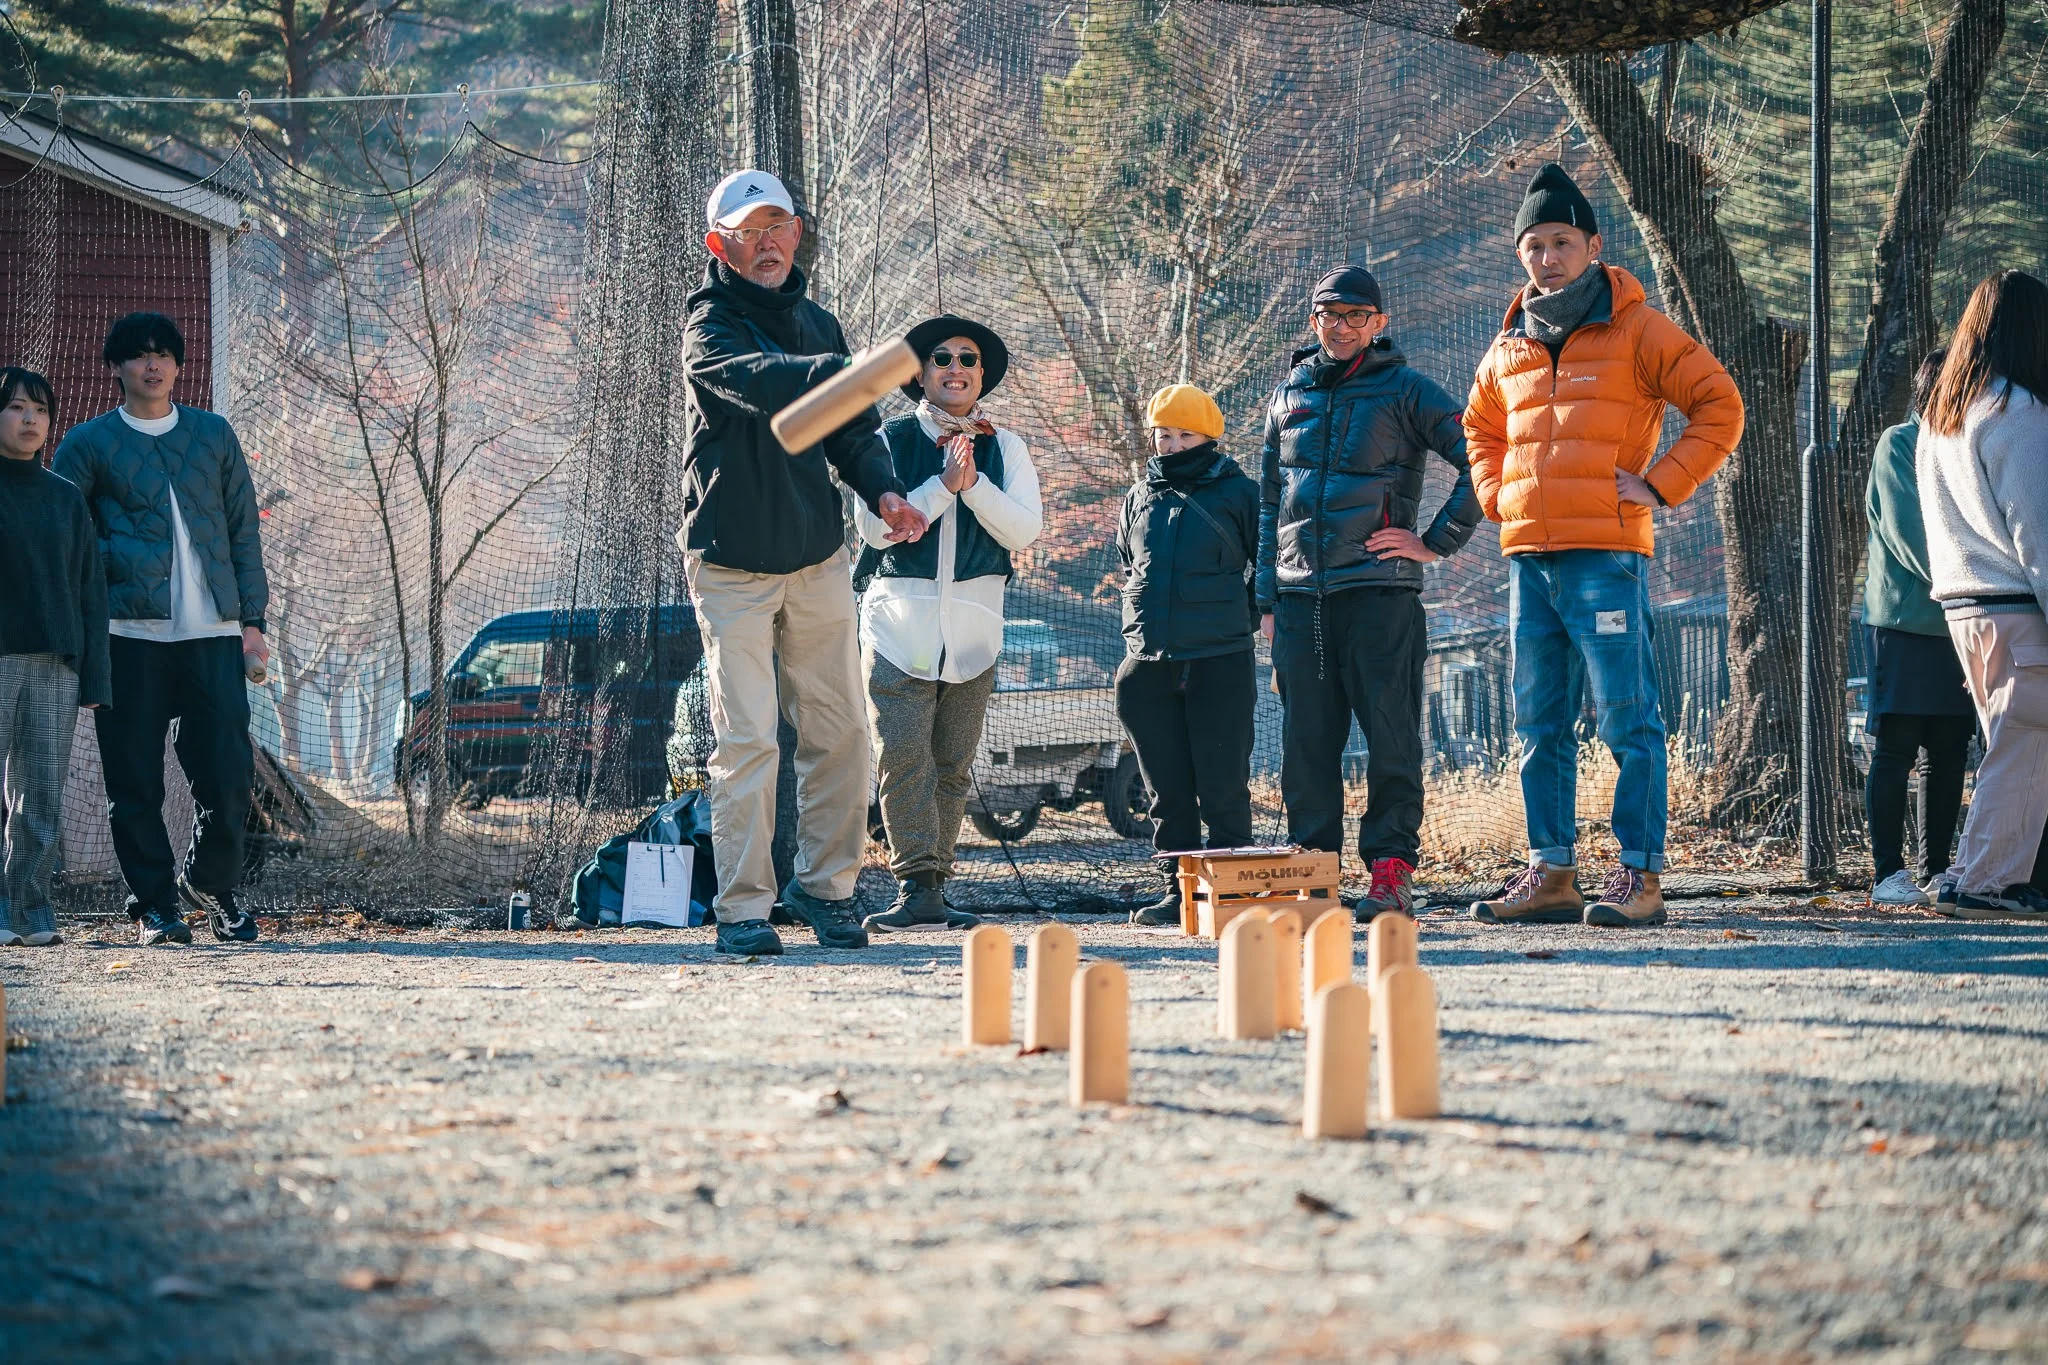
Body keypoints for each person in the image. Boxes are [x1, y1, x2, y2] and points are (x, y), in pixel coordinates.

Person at [1464, 164, 1744, 928]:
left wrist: (1660, 485)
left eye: (1561, 241)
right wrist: (1498, 497)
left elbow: (1720, 403)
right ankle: (1552, 872)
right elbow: (1479, 428)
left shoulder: (1639, 328)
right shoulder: (1508, 345)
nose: (1547, 257)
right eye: (1534, 245)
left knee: (1627, 717)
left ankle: (1640, 877)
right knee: (1538, 721)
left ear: (1592, 244)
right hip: (1528, 560)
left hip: (1607, 557)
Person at [679, 169, 929, 956]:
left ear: (796, 235)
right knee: (750, 738)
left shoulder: (819, 322)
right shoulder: (709, 328)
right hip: (730, 568)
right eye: (751, 232)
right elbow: (766, 391)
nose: (769, 244)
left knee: (843, 730)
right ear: (722, 245)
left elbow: (851, 433)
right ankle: (743, 908)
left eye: (780, 227)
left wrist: (886, 492)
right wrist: (849, 374)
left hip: (818, 560)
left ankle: (826, 892)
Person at [1256, 265, 1483, 921]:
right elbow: (1271, 501)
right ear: (1313, 320)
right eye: (1331, 313)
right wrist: (1267, 600)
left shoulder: (1407, 389)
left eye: (1358, 315)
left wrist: (1434, 541)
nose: (1343, 325)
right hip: (1299, 604)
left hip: (1380, 597)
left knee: (1391, 741)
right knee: (1305, 749)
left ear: (1378, 323)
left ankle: (1390, 876)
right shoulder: (1287, 395)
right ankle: (1313, 876)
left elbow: (1480, 456)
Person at [53, 314, 268, 947]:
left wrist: (252, 623)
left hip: (213, 634)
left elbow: (243, 534)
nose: (154, 365)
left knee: (229, 772)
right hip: (126, 636)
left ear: (179, 365)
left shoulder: (213, 434)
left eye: (164, 355)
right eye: (140, 355)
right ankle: (154, 904)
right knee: (134, 780)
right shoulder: (88, 443)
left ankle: (210, 882)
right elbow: (68, 539)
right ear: (114, 368)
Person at [855, 316, 1042, 932]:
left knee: (952, 764)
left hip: (975, 632)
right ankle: (915, 883)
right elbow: (876, 530)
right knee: (902, 755)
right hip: (896, 630)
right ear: (920, 375)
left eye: (967, 359)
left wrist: (975, 484)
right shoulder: (884, 439)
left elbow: (1022, 531)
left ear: (982, 374)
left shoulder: (1005, 445)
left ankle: (937, 886)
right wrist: (942, 485)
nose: (954, 368)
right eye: (940, 358)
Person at [1917, 269, 2048, 920]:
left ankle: (1983, 873)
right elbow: (2038, 527)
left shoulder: (1943, 411)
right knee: (2025, 744)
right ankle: (1982, 882)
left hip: (1963, 606)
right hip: (2017, 605)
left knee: (2010, 743)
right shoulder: (2016, 411)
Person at [1116, 384, 1261, 926]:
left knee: (1223, 783)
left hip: (1220, 659)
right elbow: (1131, 567)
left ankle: (1235, 893)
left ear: (1209, 437)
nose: (1173, 445)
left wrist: (1238, 620)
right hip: (1148, 663)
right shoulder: (1136, 498)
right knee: (1166, 791)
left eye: (1185, 435)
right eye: (1163, 435)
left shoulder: (1240, 494)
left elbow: (1263, 568)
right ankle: (1176, 894)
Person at [0, 368, 108, 947]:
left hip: (56, 666)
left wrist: (94, 673)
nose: (29, 419)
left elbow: (90, 590)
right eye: (16, 407)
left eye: (39, 410)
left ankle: (31, 905)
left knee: (40, 794)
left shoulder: (65, 498)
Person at [1863, 348, 1974, 907]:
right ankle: (1887, 872)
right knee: (1897, 747)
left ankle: (1935, 871)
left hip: (1962, 621)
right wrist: (1974, 581)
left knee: (1950, 749)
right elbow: (1911, 539)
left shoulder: (1966, 449)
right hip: (1907, 621)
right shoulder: (1898, 444)